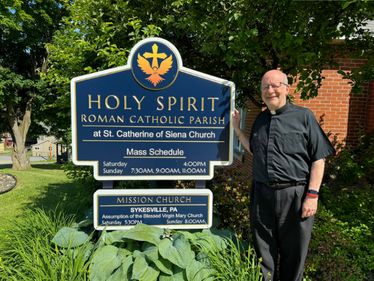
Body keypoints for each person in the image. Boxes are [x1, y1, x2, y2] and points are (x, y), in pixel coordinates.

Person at [232, 69, 335, 281]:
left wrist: (312, 195)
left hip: (295, 196)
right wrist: (236, 128)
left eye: (275, 85)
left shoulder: (304, 117)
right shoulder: (260, 119)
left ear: (287, 88)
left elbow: (318, 159)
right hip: (262, 195)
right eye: (265, 87)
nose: (270, 90)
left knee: (294, 255)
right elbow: (254, 149)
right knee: (264, 255)